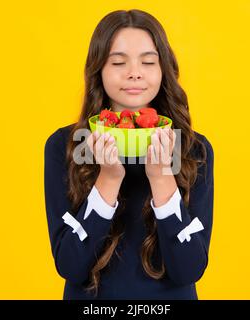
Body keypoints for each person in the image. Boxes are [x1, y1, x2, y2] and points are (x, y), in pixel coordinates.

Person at [44, 9, 214, 299]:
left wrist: (162, 178)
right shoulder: (68, 145)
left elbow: (189, 270)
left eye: (148, 61)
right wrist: (108, 180)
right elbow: (70, 266)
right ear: (98, 70)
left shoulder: (192, 149)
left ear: (164, 70)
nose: (134, 72)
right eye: (118, 62)